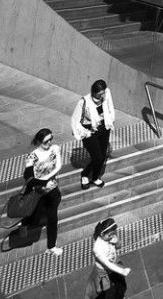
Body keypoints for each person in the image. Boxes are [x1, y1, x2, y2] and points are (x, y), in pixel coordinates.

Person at [20, 128, 64, 256]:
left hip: (52, 190)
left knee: (52, 219)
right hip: (38, 192)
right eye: (46, 141)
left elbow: (58, 166)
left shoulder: (54, 149)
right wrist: (44, 182)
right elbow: (28, 178)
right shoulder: (32, 157)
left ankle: (51, 246)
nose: (49, 143)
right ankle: (24, 224)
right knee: (33, 213)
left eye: (51, 139)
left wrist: (57, 152)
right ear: (39, 142)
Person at [71, 79, 115, 189]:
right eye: (99, 94)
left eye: (102, 93)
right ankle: (85, 175)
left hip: (104, 127)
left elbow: (110, 107)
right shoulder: (84, 102)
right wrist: (86, 133)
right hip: (90, 131)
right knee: (98, 157)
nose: (101, 96)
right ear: (93, 92)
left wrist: (110, 120)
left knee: (102, 155)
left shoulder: (106, 93)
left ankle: (95, 177)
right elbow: (75, 121)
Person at [91, 217, 131, 298]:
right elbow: (107, 264)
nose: (112, 236)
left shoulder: (111, 236)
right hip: (105, 272)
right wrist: (122, 271)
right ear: (102, 234)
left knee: (122, 286)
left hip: (115, 264)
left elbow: (119, 246)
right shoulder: (97, 248)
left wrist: (117, 242)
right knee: (109, 293)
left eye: (113, 233)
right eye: (109, 235)